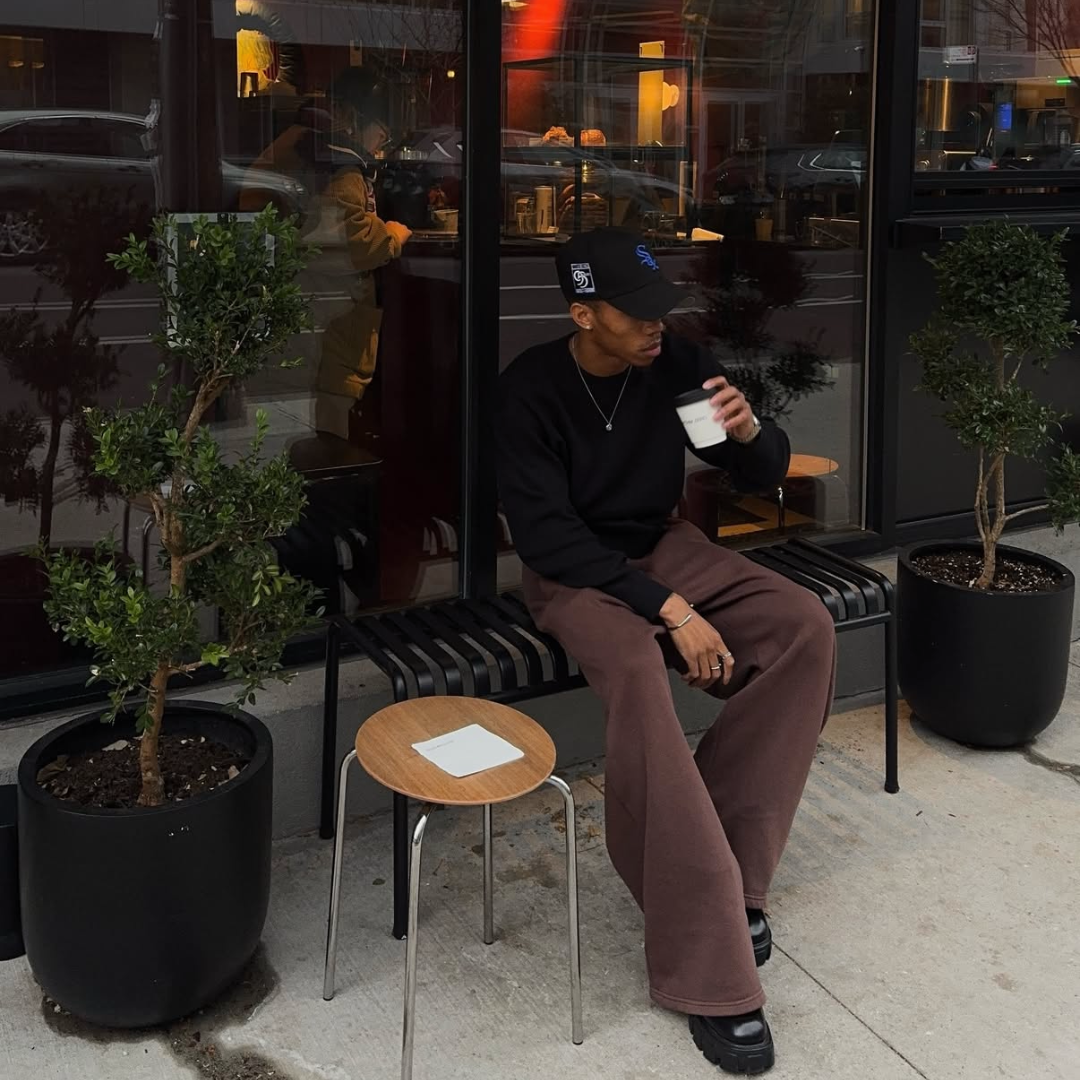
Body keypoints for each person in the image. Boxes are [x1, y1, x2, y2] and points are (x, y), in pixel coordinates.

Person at [495, 228, 836, 1074]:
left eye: (662, 308)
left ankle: (727, 872)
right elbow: (546, 537)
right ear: (583, 314)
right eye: (638, 313)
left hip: (662, 546)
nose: (659, 325)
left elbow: (750, 471)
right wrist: (670, 609)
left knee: (803, 628)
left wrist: (755, 433)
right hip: (574, 574)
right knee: (643, 672)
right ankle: (710, 969)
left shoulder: (676, 365)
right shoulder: (530, 391)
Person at [241, 67, 412, 438]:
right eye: (379, 135)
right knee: (328, 435)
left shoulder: (304, 144)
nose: (379, 148)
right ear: (353, 117)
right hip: (327, 323)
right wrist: (394, 235)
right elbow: (352, 240)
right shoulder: (332, 161)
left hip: (307, 316)